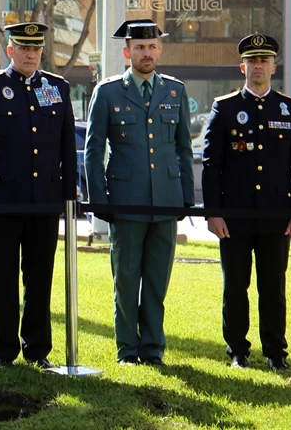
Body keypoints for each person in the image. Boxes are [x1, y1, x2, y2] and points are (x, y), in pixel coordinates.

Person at [0, 22, 76, 369]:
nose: (30, 54)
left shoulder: (57, 88)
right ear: (10, 51)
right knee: (3, 277)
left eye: (36, 49)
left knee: (40, 278)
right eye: (23, 48)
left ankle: (38, 349)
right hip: (3, 201)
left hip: (44, 202)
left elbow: (67, 148)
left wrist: (68, 198)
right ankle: (5, 350)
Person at [85, 19, 194, 367]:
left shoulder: (175, 90)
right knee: (127, 280)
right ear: (126, 51)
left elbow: (184, 149)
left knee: (158, 282)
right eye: (139, 47)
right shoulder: (108, 92)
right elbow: (92, 151)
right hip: (126, 200)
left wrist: (186, 198)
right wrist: (100, 201)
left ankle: (153, 348)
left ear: (159, 50)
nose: (146, 53)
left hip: (165, 199)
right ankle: (127, 350)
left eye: (151, 47)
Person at [202, 33, 291, 371]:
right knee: (235, 287)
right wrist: (213, 214)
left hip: (277, 216)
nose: (258, 66)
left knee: (273, 288)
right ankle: (237, 350)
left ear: (273, 67)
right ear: (242, 67)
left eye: (264, 60)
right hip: (234, 218)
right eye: (252, 61)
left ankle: (276, 352)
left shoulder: (290, 108)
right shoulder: (226, 107)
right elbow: (211, 166)